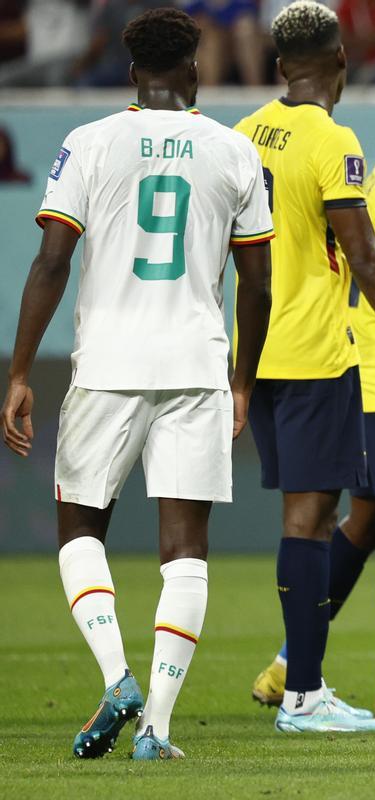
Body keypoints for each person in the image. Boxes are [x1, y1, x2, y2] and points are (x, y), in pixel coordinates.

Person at [1, 7, 273, 760]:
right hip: (196, 364)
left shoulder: (88, 144)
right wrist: (242, 379)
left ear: (131, 74)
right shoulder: (234, 151)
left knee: (79, 528)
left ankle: (116, 675)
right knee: (185, 548)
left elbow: (51, 262)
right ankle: (156, 725)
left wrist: (20, 371)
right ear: (194, 72)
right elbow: (258, 282)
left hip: (109, 365)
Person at [237, 0, 375, 734]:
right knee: (312, 517)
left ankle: (298, 683)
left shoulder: (243, 134)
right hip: (317, 349)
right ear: (341, 62)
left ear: (277, 65)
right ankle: (304, 693)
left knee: (308, 517)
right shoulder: (333, 140)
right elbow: (365, 255)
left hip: (255, 350)